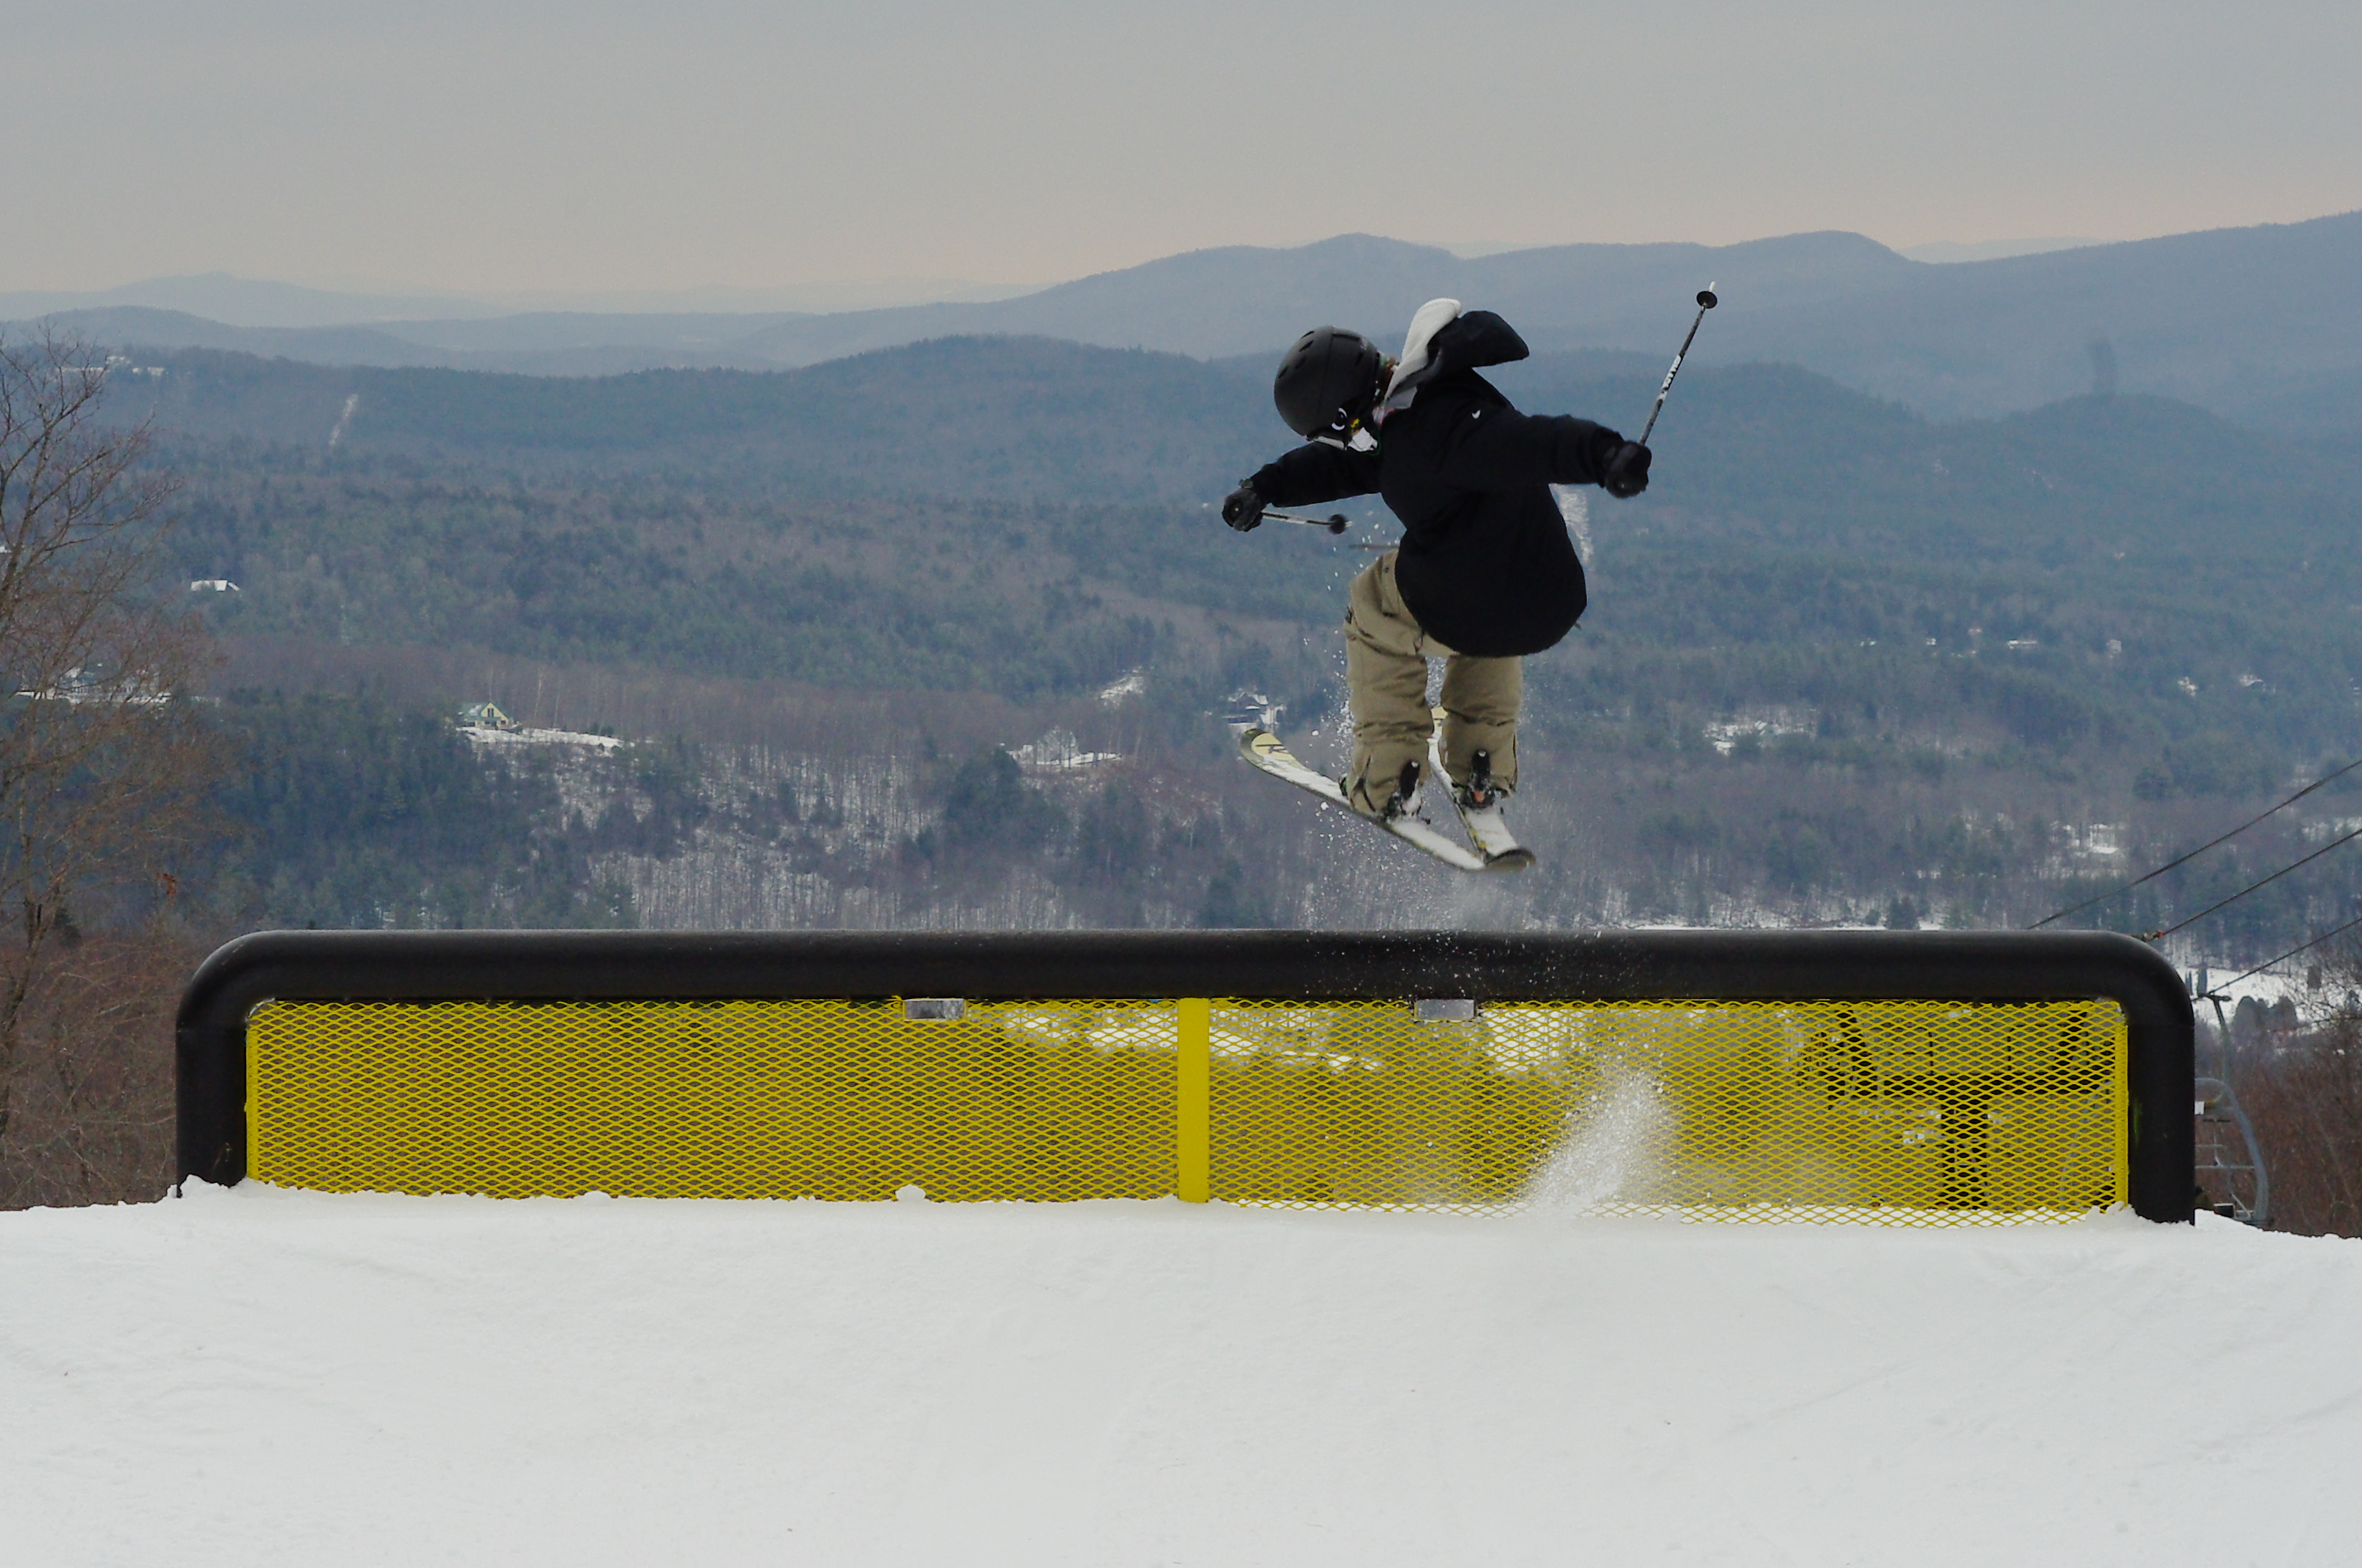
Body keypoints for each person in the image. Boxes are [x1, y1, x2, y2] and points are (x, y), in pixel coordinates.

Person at [1221, 298, 1652, 819]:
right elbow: (1349, 466)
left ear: (1342, 415)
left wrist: (1603, 454)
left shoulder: (1435, 433)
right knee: (1480, 601)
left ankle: (1389, 778)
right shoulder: (1415, 409)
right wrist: (1265, 487)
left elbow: (1532, 442)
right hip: (1548, 601)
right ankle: (1482, 766)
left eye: (1331, 434)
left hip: (1479, 603)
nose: (1338, 443)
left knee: (1372, 602)